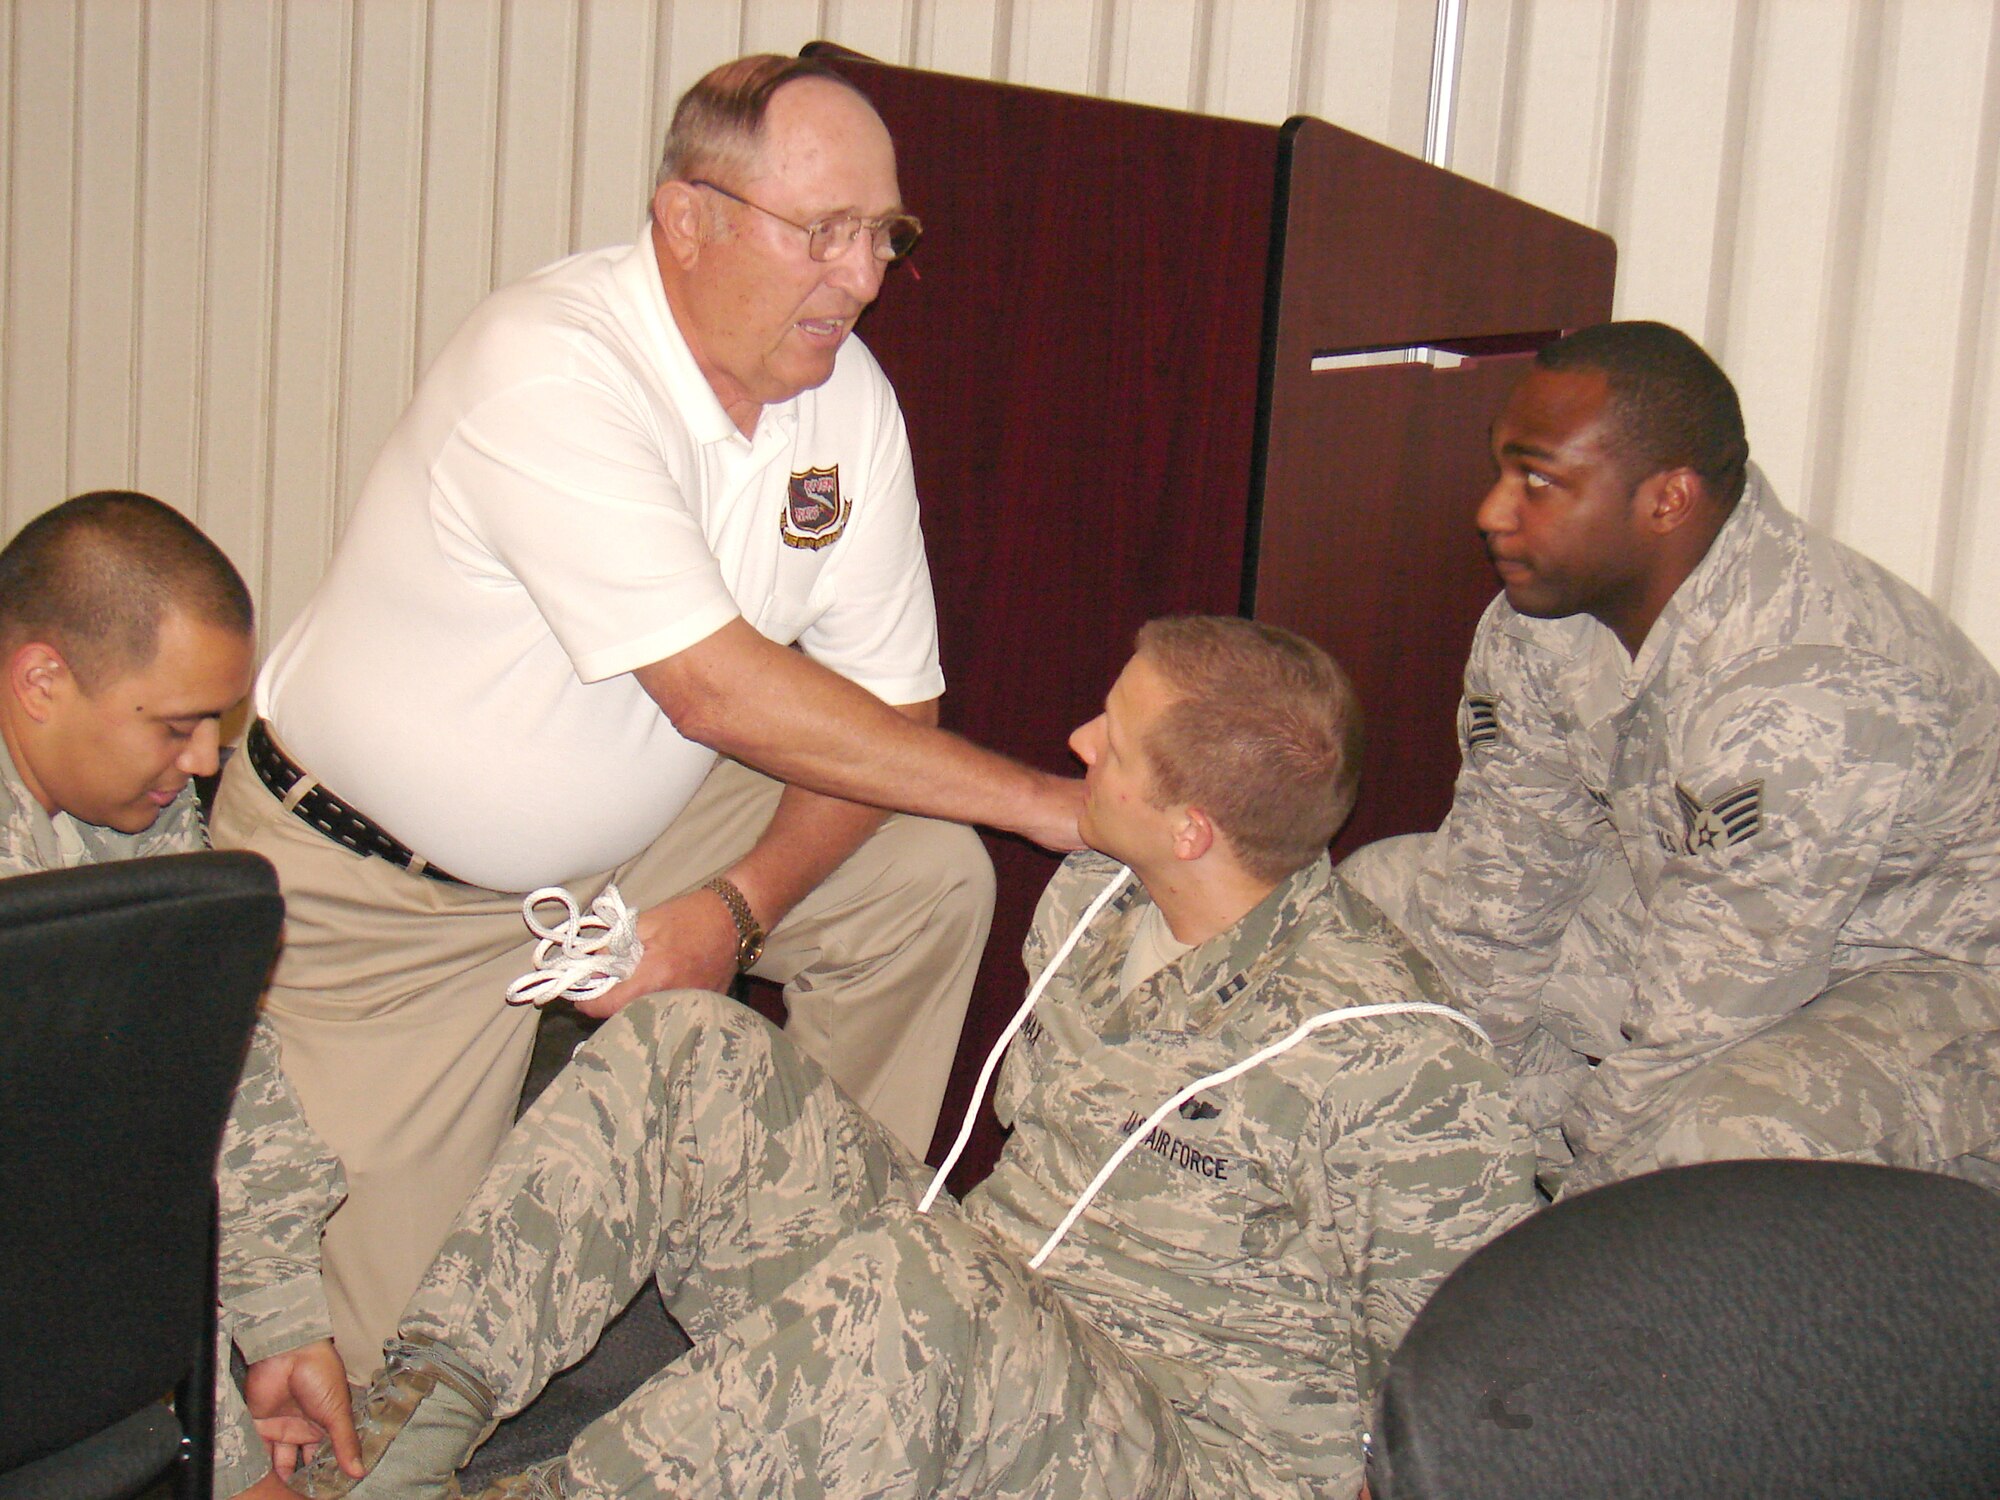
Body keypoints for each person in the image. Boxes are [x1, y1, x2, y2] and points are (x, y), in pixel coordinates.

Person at [210, 53, 1085, 1378]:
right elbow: (717, 688)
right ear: (687, 220)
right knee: (375, 1386)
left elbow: (892, 711)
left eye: (883, 238)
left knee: (924, 875)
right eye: (823, 234)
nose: (860, 278)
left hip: (631, 834)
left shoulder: (842, 403)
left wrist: (733, 909)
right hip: (380, 899)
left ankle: (820, 1308)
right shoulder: (549, 364)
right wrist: (1055, 808)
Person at [296, 615, 1534, 1500]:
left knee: (920, 1295)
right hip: (987, 1322)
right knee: (690, 1050)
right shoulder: (1100, 896)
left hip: (1185, 1447)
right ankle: (408, 1436)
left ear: (1191, 826)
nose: (1079, 735)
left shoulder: (1398, 1065)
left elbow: (1475, 1389)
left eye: (1116, 734)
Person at [1342, 321, 2000, 1197]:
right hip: (1694, 913)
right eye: (1502, 469)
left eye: (1538, 481)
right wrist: (1439, 1140)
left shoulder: (1806, 688)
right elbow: (1497, 891)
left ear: (1667, 501)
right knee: (1381, 898)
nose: (1492, 512)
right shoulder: (1542, 622)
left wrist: (1572, 1224)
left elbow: (1699, 1026)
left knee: (1723, 1135)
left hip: (1918, 980)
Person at [0, 491, 361, 1500]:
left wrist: (283, 1326)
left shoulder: (130, 804)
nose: (206, 761)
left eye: (216, 722)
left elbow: (212, 1084)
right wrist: (231, 1468)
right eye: (176, 725)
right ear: (40, 680)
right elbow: (68, 1198)